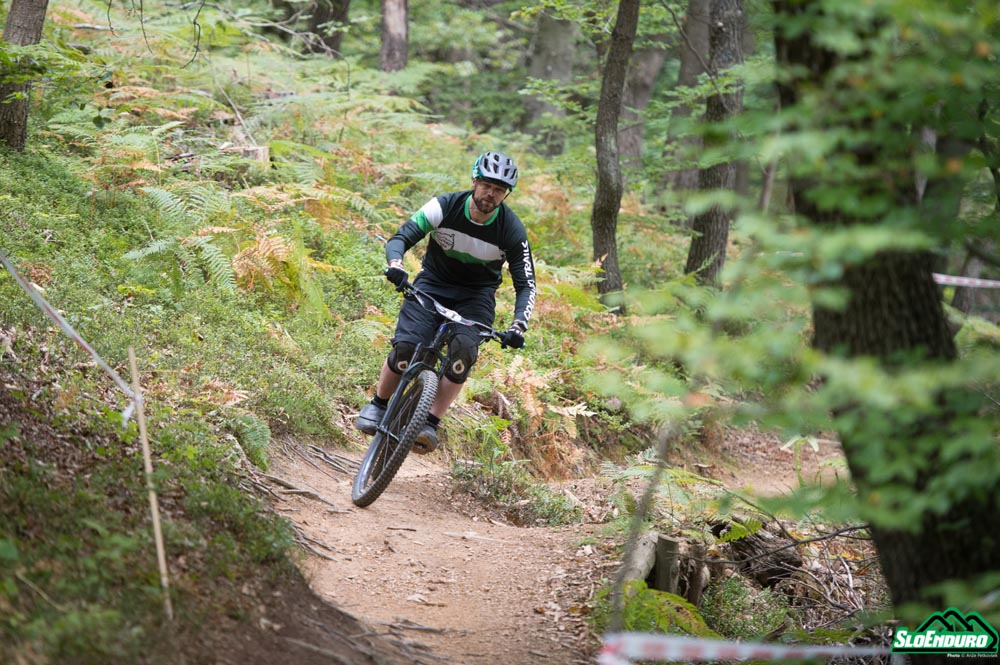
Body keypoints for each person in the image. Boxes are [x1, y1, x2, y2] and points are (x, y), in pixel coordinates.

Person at [355, 151, 537, 453]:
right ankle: (378, 404)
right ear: (474, 181)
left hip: (476, 296)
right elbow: (401, 238)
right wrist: (397, 264)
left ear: (505, 194)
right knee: (406, 347)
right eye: (486, 185)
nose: (491, 194)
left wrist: (519, 325)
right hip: (433, 284)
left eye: (499, 189)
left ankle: (430, 422)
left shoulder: (511, 230)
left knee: (463, 353)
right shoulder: (444, 206)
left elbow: (526, 284)